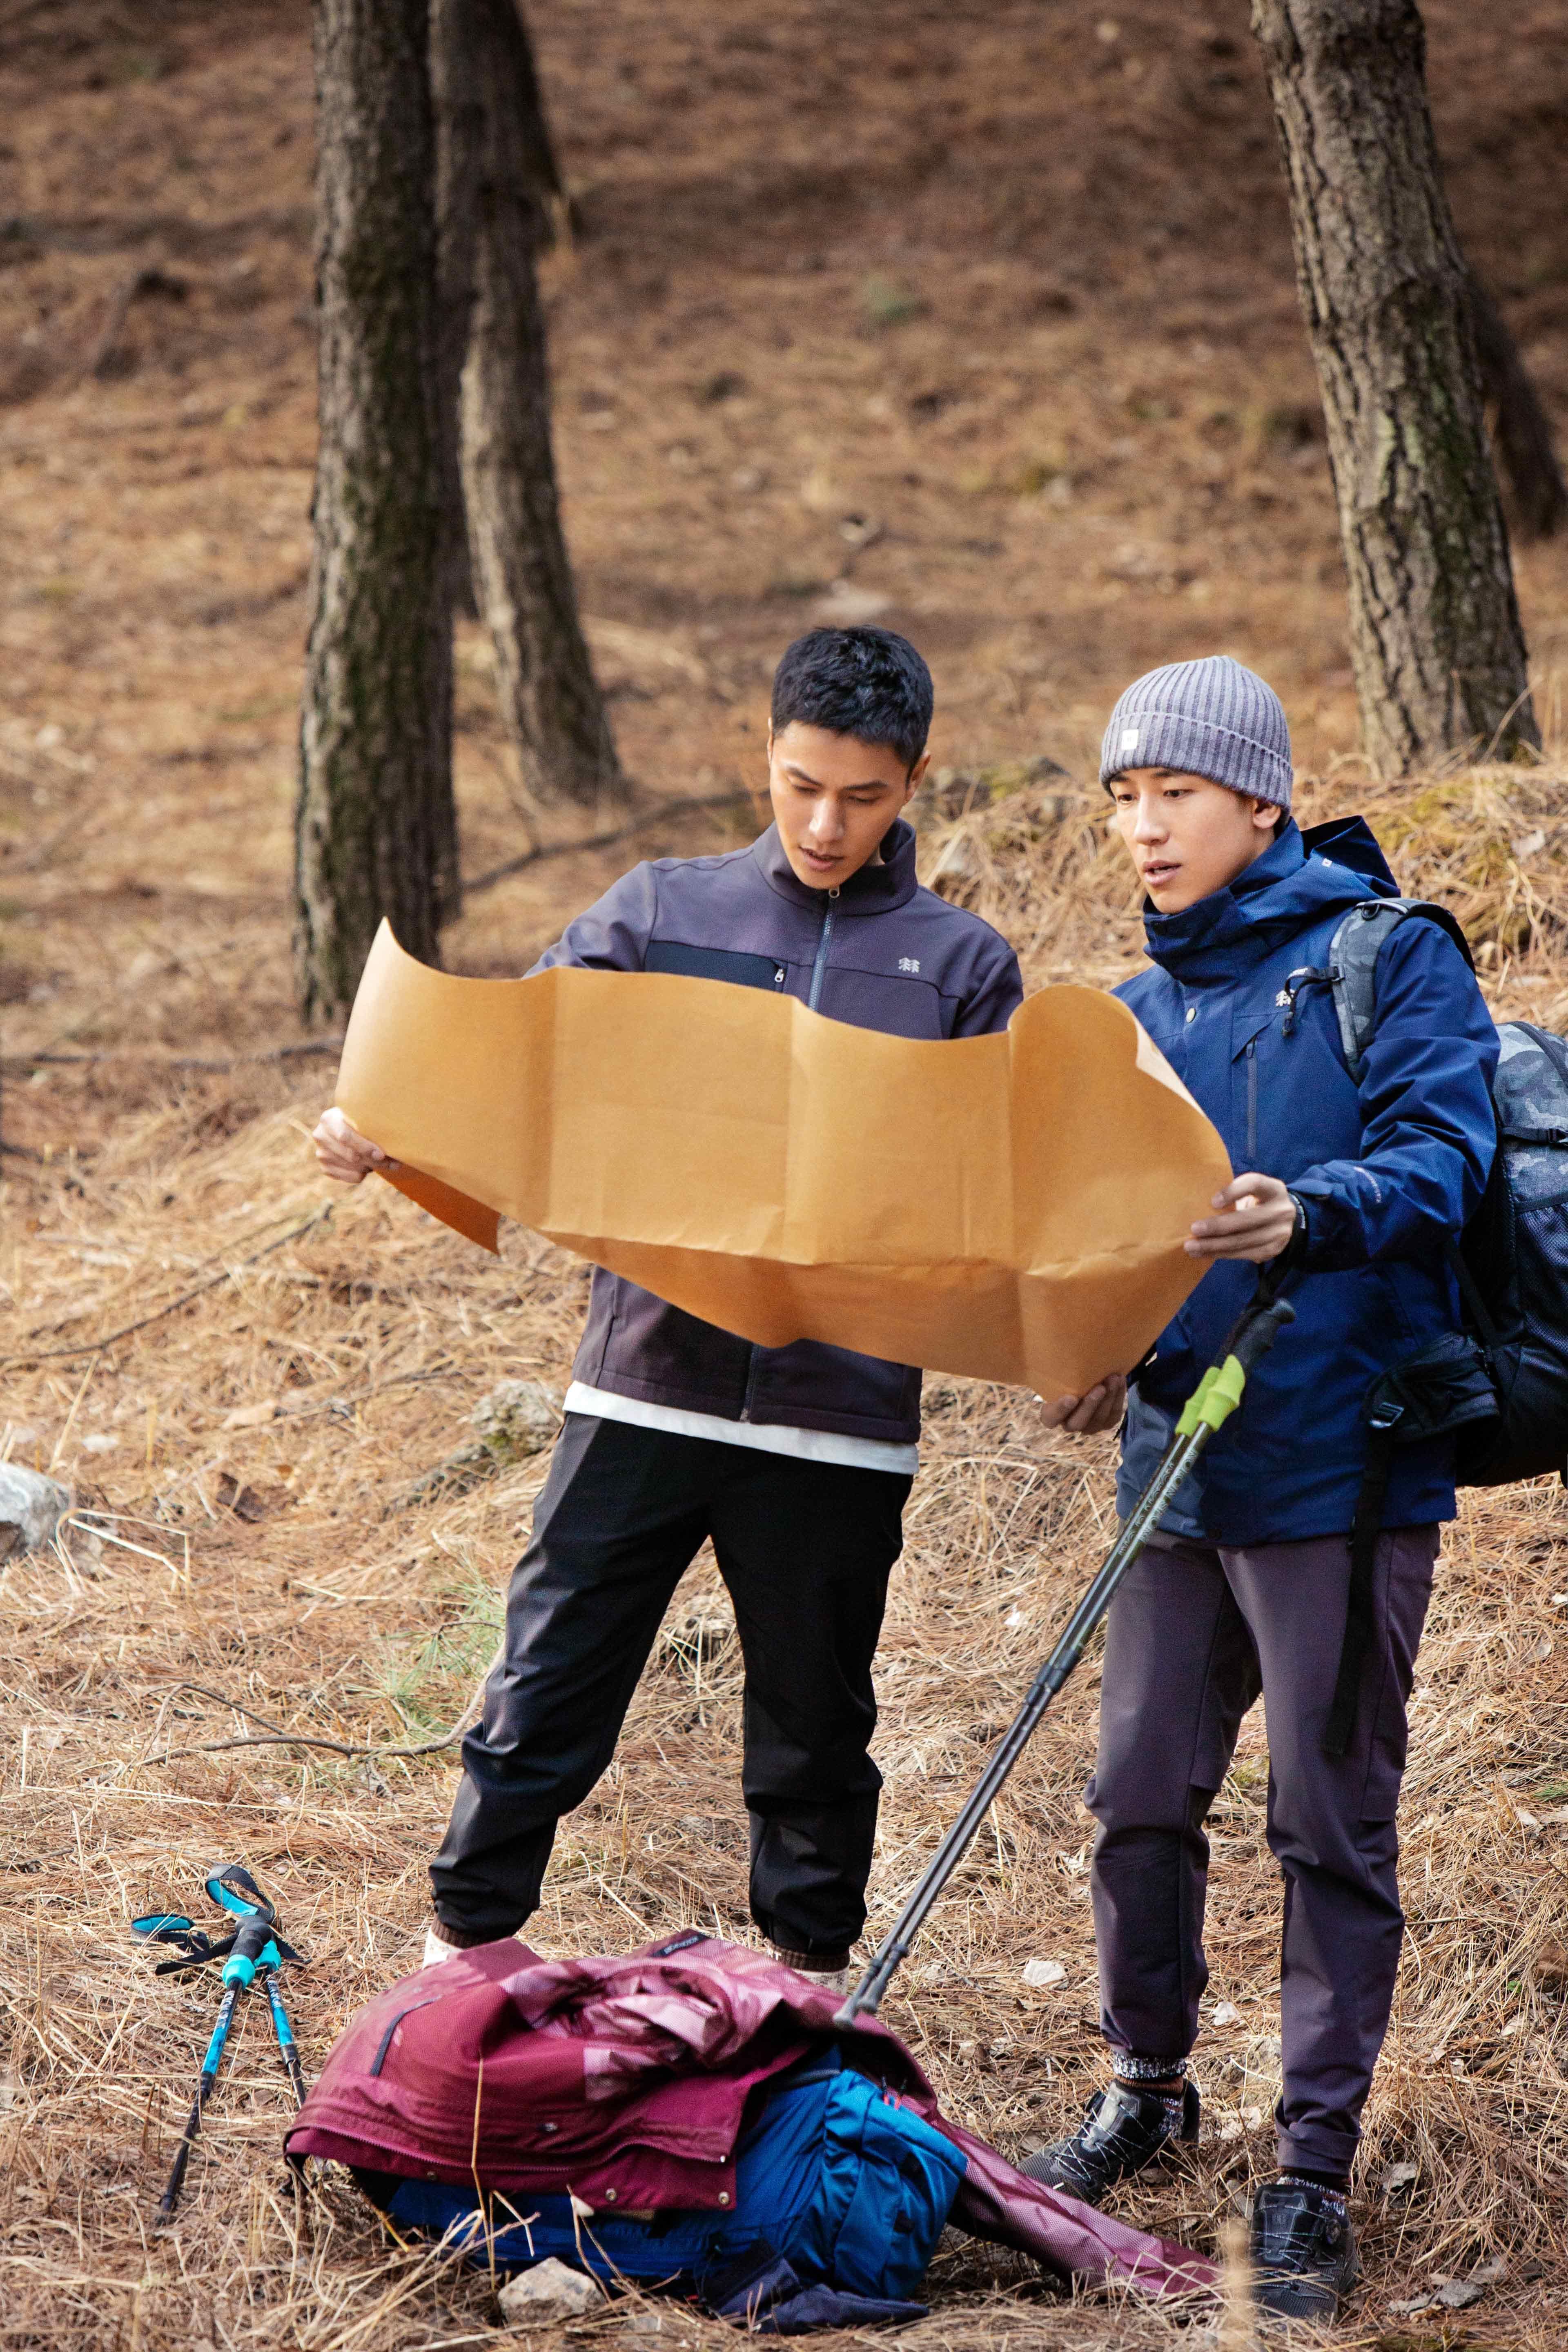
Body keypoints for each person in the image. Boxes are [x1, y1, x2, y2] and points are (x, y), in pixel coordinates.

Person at [314, 627, 1032, 1995]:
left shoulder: (960, 970)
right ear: (764, 752)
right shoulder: (662, 912)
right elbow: (511, 1070)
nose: (827, 825)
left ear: (918, 781)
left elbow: (996, 1202)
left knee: (815, 1731)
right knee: (547, 1686)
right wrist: (382, 1128)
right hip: (642, 1381)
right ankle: (453, 1968)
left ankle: (810, 2007)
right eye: (801, 783)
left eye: (865, 797)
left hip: (838, 1424)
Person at [1030, 657, 1497, 2320]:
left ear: (1263, 803)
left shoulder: (1390, 956)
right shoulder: (1138, 1015)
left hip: (1345, 1459)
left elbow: (1448, 1157)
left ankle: (1311, 2166)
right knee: (1139, 1796)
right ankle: (1149, 2088)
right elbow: (1127, 1243)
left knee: (1325, 1817)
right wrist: (1092, 1353)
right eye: (1123, 798)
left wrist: (1313, 1209)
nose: (1143, 827)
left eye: (1174, 794)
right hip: (1181, 1464)